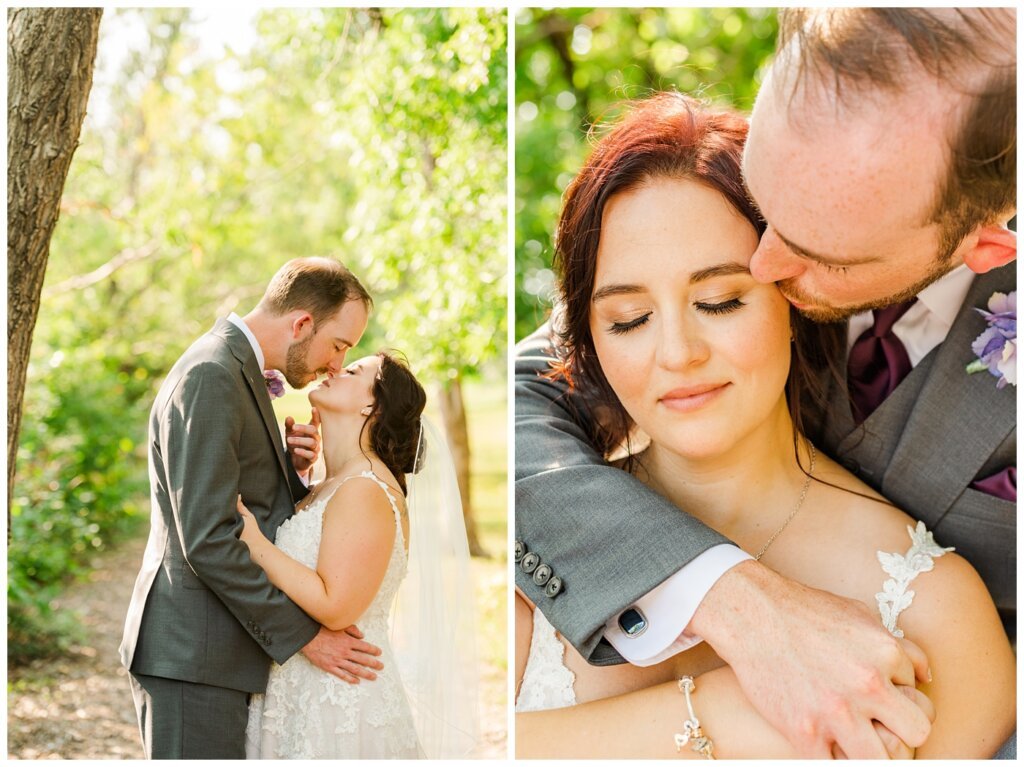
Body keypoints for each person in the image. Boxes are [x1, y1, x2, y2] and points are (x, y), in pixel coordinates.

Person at [515, 7, 1016, 759]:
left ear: (988, 241)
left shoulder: (942, 613)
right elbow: (528, 397)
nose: (765, 255)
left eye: (721, 301)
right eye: (762, 201)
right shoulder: (747, 201)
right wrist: (730, 622)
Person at [120, 257, 384, 759]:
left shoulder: (233, 369)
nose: (335, 364)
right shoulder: (211, 375)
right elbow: (209, 537)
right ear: (302, 323)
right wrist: (306, 637)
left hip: (218, 654)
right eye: (339, 346)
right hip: (193, 655)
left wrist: (294, 471)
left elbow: (235, 501)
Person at [240, 351, 479, 758]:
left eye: (352, 371)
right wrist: (298, 475)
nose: (334, 367)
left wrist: (254, 542)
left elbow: (336, 607)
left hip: (339, 701)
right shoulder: (331, 483)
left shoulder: (366, 488)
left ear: (372, 405)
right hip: (299, 688)